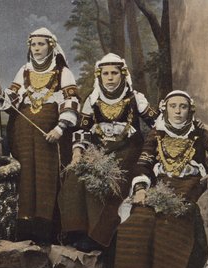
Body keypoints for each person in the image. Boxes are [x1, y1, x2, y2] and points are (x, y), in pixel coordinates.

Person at [114, 90, 208, 268]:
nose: (177, 111)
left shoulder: (198, 132)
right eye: (173, 106)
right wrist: (141, 188)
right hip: (159, 185)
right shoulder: (156, 134)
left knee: (171, 223)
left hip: (189, 185)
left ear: (189, 110)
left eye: (183, 107)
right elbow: (144, 163)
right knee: (138, 220)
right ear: (165, 109)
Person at [58, 53, 159, 252]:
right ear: (100, 76)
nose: (110, 78)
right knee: (74, 178)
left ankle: (98, 238)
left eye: (114, 73)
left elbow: (159, 123)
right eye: (106, 74)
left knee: (110, 181)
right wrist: (78, 154)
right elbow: (82, 130)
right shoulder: (92, 99)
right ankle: (77, 231)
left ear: (122, 75)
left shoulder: (135, 98)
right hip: (100, 150)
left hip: (128, 150)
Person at [0, 27, 80, 243]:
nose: (37, 48)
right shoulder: (24, 71)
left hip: (49, 137)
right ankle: (25, 232)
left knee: (46, 179)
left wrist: (60, 128)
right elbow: (13, 103)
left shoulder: (62, 72)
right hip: (22, 135)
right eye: (33, 44)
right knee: (26, 178)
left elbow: (72, 102)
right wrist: (0, 94)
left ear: (50, 46)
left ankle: (46, 234)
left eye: (41, 44)